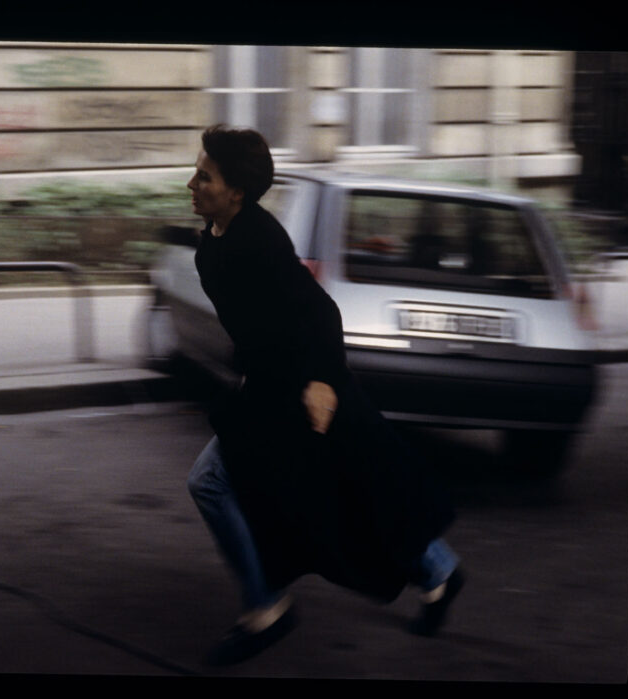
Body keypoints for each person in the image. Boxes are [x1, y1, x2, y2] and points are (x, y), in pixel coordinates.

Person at [185, 124, 464, 665]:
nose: (191, 184)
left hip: (307, 393)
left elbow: (320, 312)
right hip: (272, 390)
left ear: (236, 191)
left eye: (205, 177)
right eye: (196, 173)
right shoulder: (213, 241)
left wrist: (321, 380)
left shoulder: (261, 240)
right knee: (350, 493)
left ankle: (265, 609)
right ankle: (440, 571)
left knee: (215, 482)